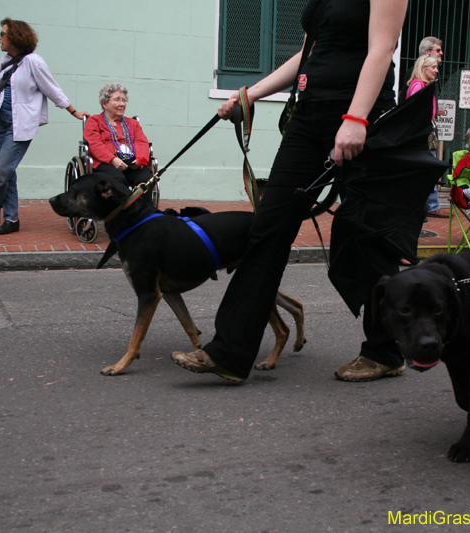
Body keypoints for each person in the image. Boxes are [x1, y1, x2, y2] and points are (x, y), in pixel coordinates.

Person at [172, 0, 432, 384]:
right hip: (308, 115)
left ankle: (385, 351)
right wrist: (251, 93)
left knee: (366, 236)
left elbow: (382, 47)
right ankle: (230, 352)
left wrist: (356, 118)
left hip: (359, 115)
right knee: (269, 225)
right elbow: (308, 53)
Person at [0, 18, 87, 235]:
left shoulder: (33, 61)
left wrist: (73, 111)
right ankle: (11, 218)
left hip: (20, 125)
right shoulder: (5, 59)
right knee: (6, 172)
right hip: (0, 123)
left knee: (0, 170)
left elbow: (52, 89)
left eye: (2, 34)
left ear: (15, 37)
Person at [83, 83, 152, 197]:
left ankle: (144, 213)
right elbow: (95, 145)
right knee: (117, 179)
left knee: (146, 179)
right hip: (106, 163)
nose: (122, 104)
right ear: (105, 103)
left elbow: (141, 142)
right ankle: (122, 212)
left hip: (131, 162)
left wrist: (140, 160)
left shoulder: (132, 123)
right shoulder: (94, 121)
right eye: (117, 100)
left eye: (124, 100)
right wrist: (113, 160)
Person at [406, 55, 443, 218]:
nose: (436, 70)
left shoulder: (421, 86)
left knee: (426, 171)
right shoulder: (418, 86)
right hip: (422, 135)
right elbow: (415, 112)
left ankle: (424, 207)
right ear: (423, 68)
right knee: (425, 172)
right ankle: (421, 207)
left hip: (424, 133)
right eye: (433, 67)